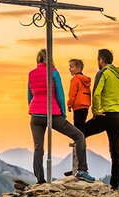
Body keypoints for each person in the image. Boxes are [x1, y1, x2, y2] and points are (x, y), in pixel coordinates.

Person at [28, 49, 95, 184]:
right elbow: (60, 95)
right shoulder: (53, 72)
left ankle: (40, 180)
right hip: (52, 114)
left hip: (35, 116)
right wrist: (63, 113)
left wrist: (34, 108)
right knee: (79, 136)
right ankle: (82, 170)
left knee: (38, 147)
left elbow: (29, 96)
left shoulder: (31, 74)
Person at [84, 49, 119, 190]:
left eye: (98, 60)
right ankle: (115, 185)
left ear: (101, 60)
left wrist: (96, 112)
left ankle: (80, 170)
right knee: (115, 150)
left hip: (108, 115)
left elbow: (96, 93)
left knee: (79, 133)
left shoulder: (103, 73)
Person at [67, 59, 91, 132]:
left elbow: (72, 94)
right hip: (86, 106)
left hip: (78, 106)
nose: (69, 69)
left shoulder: (75, 79)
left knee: (77, 127)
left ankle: (79, 142)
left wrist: (69, 105)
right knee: (82, 125)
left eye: (71, 67)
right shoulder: (85, 80)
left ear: (78, 68)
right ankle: (82, 141)